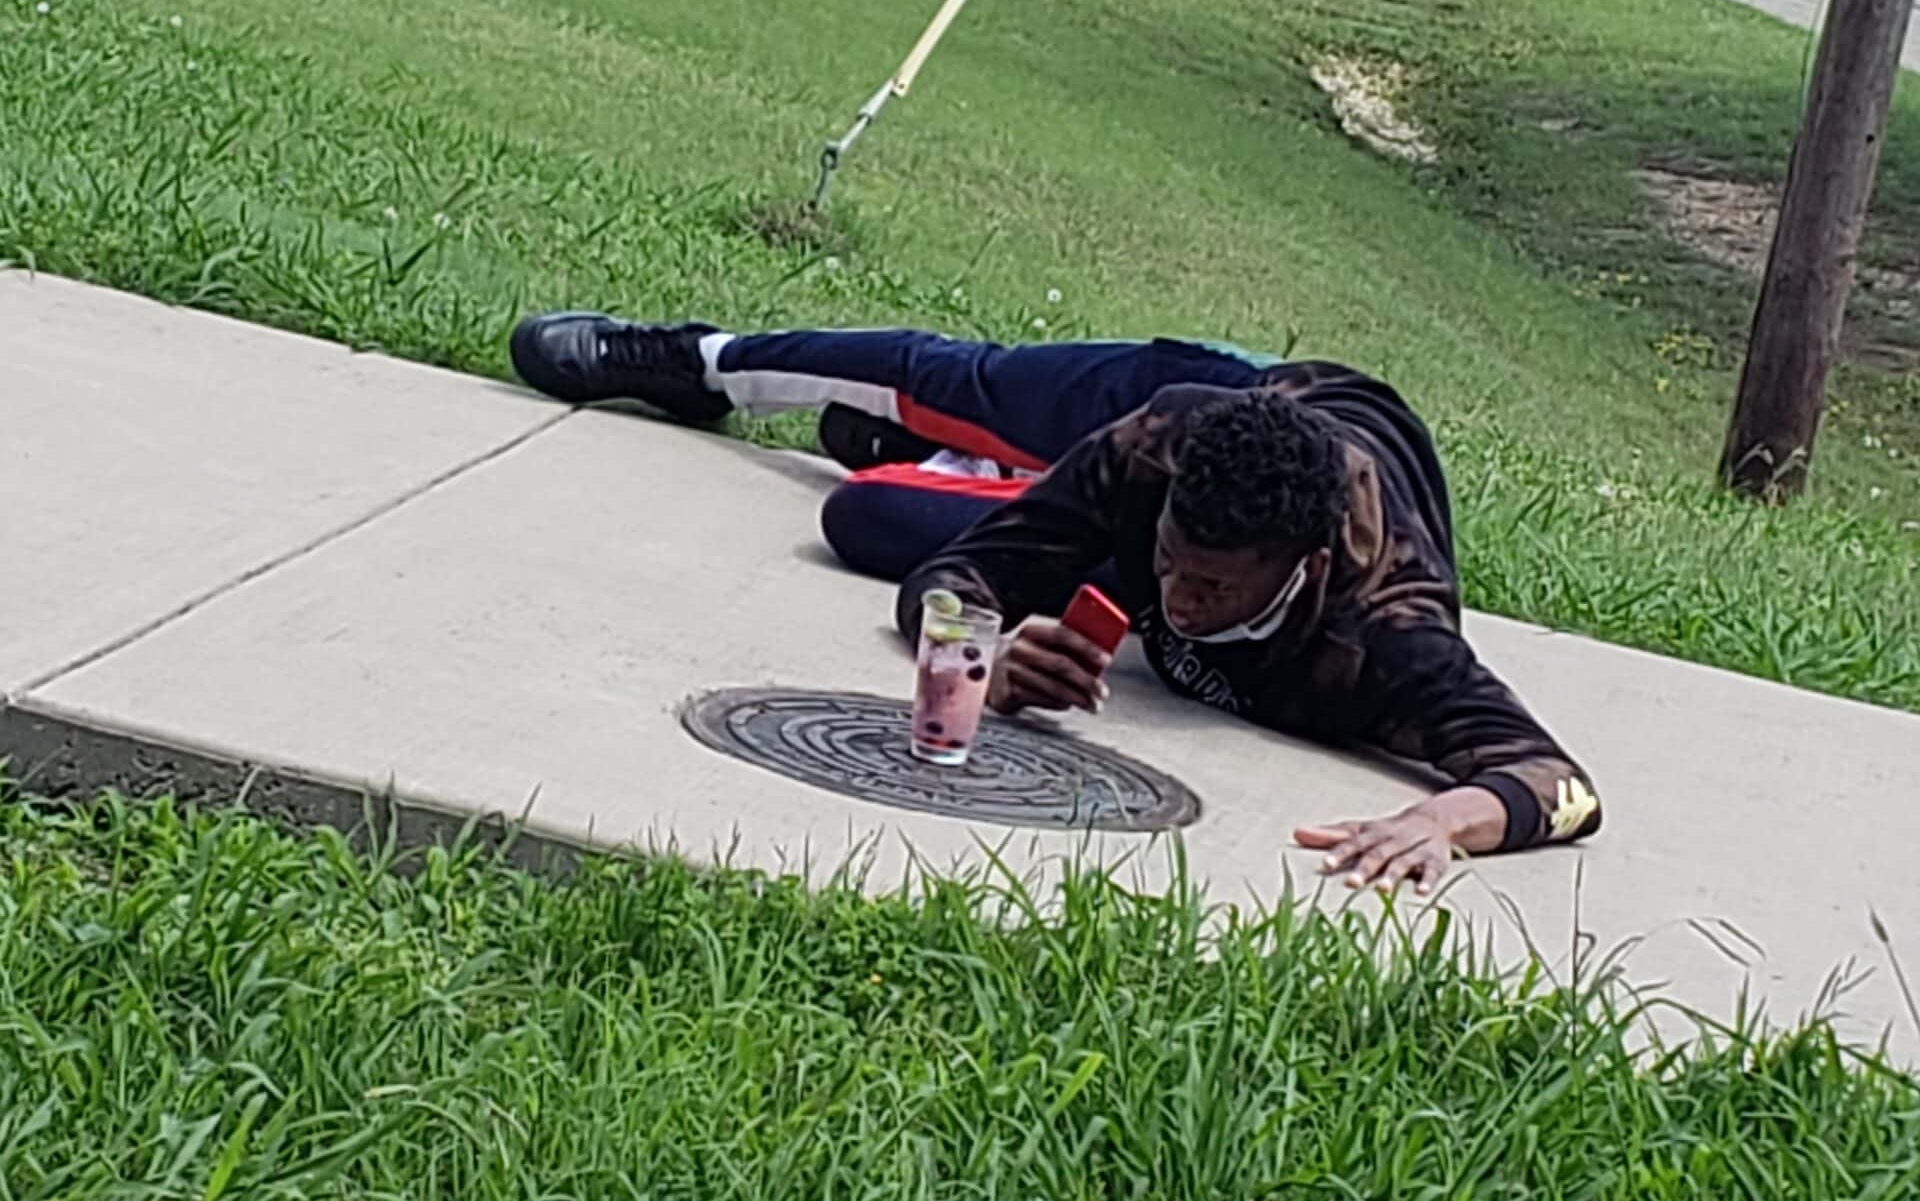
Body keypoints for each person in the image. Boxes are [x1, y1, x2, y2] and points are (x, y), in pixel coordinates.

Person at [510, 309, 1602, 892]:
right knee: (971, 387)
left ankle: (908, 456)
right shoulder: (1162, 445)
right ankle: (695, 356)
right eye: (1170, 562)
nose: (1177, 598)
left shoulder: (1388, 630)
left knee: (870, 521)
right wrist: (977, 640)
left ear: (1302, 571)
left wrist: (1438, 822)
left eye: (1215, 590)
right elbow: (966, 583)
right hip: (1233, 394)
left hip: (1315, 439)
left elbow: (1556, 784)